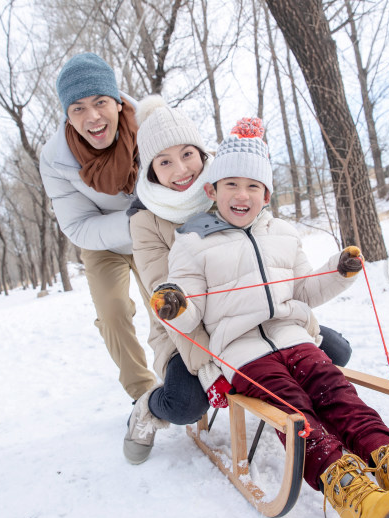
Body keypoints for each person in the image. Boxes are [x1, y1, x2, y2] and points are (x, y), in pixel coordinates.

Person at [150, 118, 389, 518]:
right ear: (212, 191)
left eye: (253, 186)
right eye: (230, 184)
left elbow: (303, 290)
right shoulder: (192, 241)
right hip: (242, 351)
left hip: (294, 337)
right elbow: (192, 308)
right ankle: (355, 495)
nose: (241, 195)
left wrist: (337, 272)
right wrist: (176, 305)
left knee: (338, 393)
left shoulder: (283, 234)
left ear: (266, 195)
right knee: (294, 410)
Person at [124, 97, 354, 465]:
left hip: (260, 316)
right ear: (151, 171)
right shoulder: (145, 220)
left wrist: (299, 326)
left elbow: (269, 258)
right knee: (186, 404)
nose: (181, 169)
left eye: (187, 155)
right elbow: (168, 299)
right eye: (164, 162)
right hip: (190, 331)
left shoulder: (231, 181)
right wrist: (213, 364)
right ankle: (147, 408)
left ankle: (319, 405)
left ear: (202, 154)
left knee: (336, 351)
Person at [39, 54, 157, 406]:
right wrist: (135, 221)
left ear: (118, 103)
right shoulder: (56, 160)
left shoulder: (152, 126)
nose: (91, 117)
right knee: (113, 311)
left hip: (155, 232)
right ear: (67, 115)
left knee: (168, 305)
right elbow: (78, 225)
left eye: (100, 102)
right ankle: (143, 395)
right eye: (77, 108)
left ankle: (185, 376)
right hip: (104, 241)